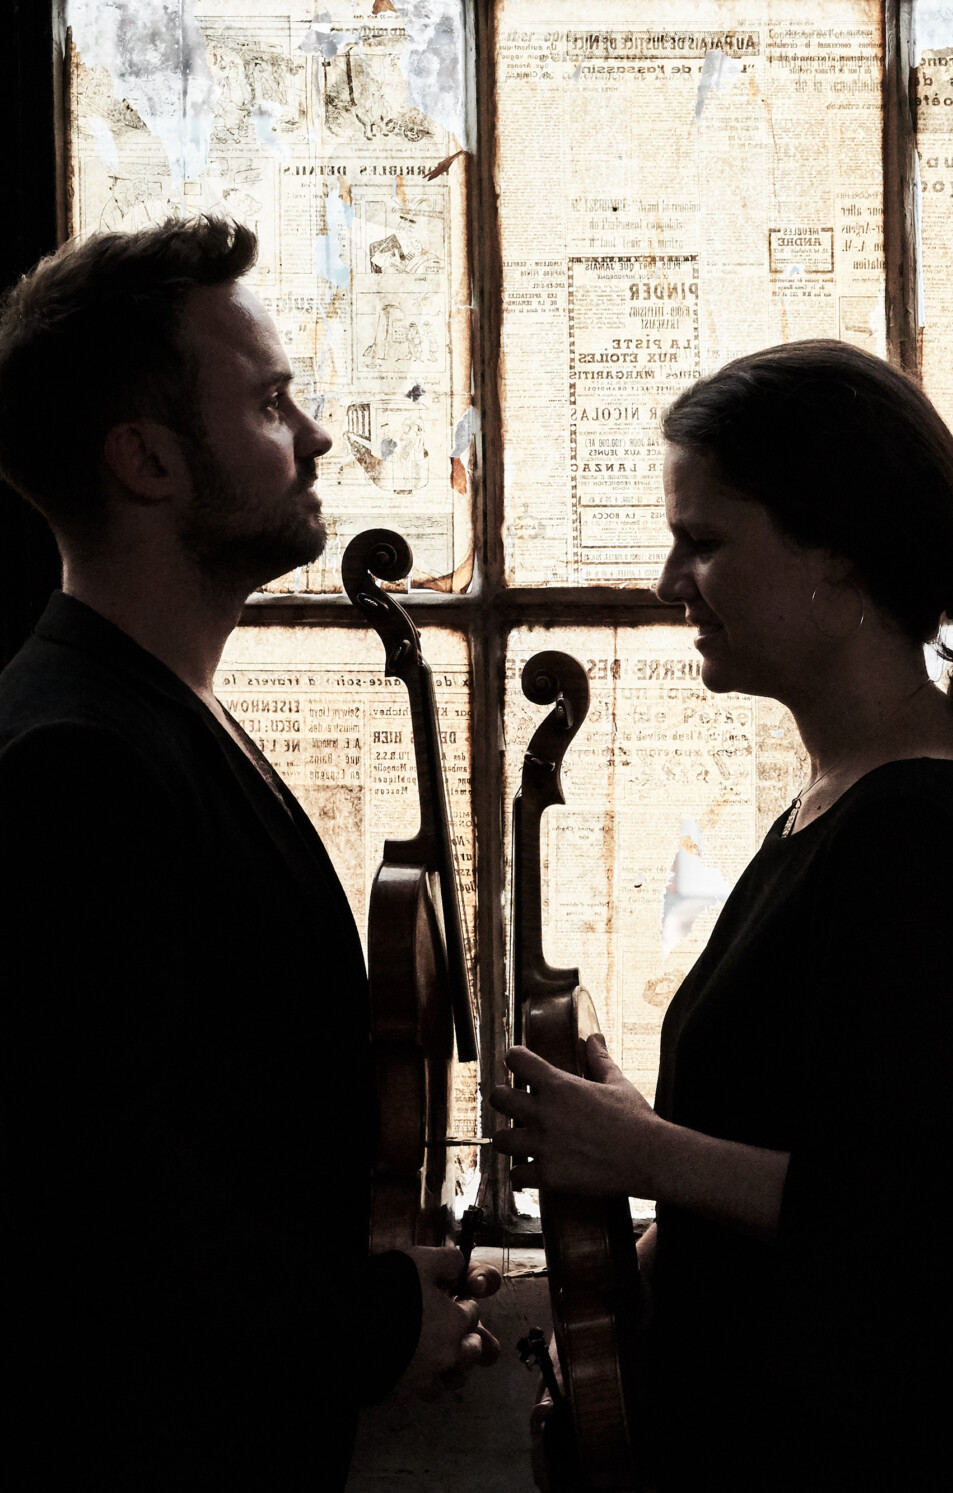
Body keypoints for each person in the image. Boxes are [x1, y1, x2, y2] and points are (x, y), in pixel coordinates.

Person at [489, 340, 953, 1489]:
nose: (669, 582)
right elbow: (824, 1143)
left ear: (836, 552)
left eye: (704, 542)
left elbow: (924, 1221)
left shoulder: (913, 831)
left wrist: (635, 1149)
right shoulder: (839, 804)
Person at [0, 218, 501, 1482]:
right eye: (271, 403)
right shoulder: (77, 762)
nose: (317, 436)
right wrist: (371, 1323)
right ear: (148, 460)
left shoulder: (155, 715)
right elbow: (97, 1203)